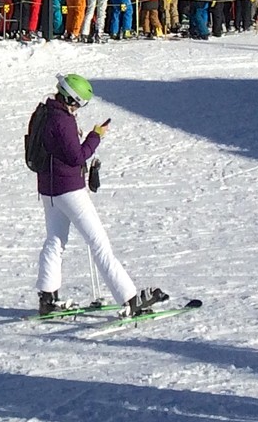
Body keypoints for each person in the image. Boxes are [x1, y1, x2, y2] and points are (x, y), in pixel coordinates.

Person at [29, 74, 164, 316]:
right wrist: (95, 136)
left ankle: (47, 298)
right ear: (71, 98)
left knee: (55, 240)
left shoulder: (45, 112)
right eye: (78, 103)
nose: (78, 108)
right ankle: (129, 299)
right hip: (69, 189)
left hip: (48, 190)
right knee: (99, 243)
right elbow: (77, 157)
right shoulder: (63, 120)